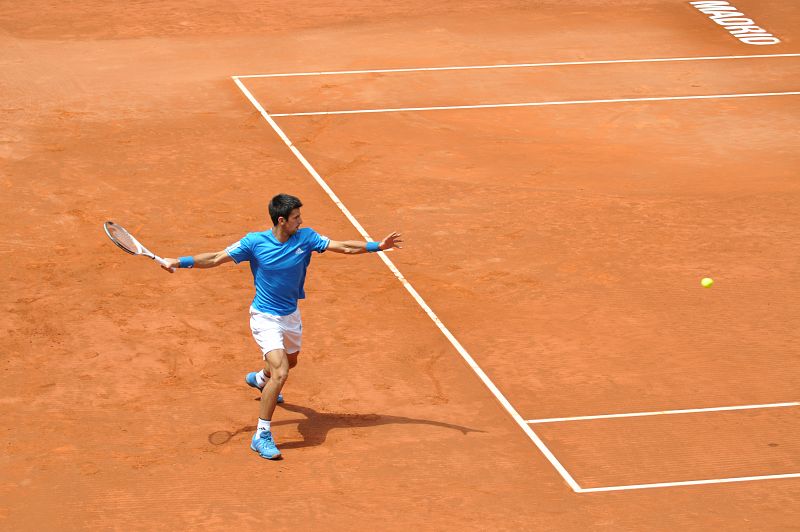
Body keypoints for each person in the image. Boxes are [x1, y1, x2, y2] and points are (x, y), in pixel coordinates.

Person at [161, 193, 402, 460]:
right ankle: (261, 434)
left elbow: (343, 246)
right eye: (296, 217)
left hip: (291, 316)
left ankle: (259, 379)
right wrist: (179, 262)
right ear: (281, 220)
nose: (301, 221)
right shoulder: (254, 242)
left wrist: (376, 246)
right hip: (265, 317)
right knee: (282, 372)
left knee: (290, 362)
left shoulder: (306, 238)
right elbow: (216, 258)